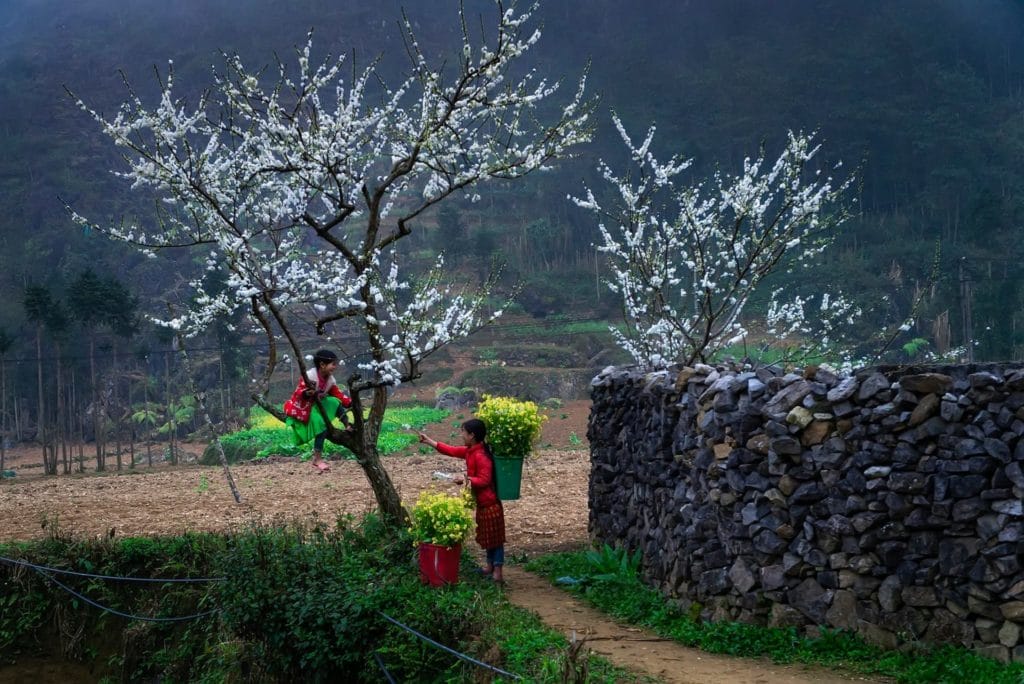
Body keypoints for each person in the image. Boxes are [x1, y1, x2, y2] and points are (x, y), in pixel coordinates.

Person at [418, 418, 505, 583]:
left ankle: (498, 569)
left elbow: (485, 480)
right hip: (483, 503)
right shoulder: (470, 451)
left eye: (463, 432)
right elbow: (450, 450)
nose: (461, 435)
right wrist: (429, 441)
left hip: (490, 503)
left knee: (496, 539)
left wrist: (466, 479)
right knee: (489, 537)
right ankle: (490, 566)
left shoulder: (481, 456)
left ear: (472, 435)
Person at [283, 349, 352, 473]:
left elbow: (338, 395)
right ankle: (317, 458)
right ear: (322, 365)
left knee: (335, 402)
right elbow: (299, 392)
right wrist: (307, 393)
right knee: (321, 424)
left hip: (318, 406)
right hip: (306, 407)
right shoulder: (309, 376)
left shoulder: (330, 380)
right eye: (333, 364)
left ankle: (347, 425)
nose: (335, 367)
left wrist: (352, 403)